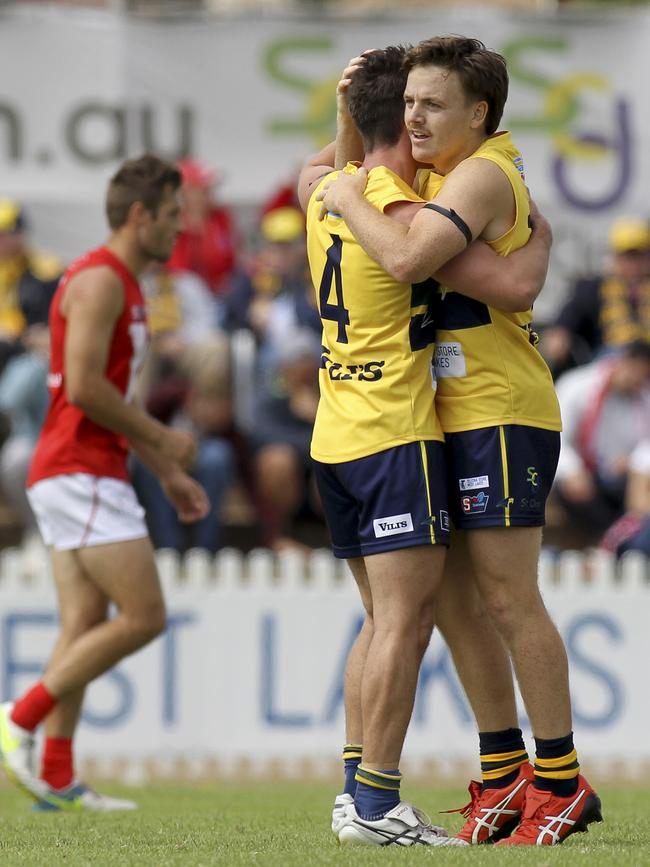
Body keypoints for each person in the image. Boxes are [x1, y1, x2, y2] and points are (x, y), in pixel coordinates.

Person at [318, 36, 602, 847]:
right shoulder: (429, 172)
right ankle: (507, 771)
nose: (413, 116)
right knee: (453, 604)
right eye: (407, 102)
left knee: (510, 599)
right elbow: (348, 181)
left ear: (479, 113)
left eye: (432, 103)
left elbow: (412, 256)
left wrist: (348, 197)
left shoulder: (478, 172)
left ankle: (559, 779)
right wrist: (350, 128)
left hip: (497, 408)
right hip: (449, 412)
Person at [0, 154, 209, 811]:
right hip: (78, 467)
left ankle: (55, 777)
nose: (181, 229)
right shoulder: (101, 280)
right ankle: (19, 718)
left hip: (85, 466)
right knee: (144, 616)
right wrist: (161, 437)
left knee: (85, 622)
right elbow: (86, 388)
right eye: (173, 215)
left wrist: (167, 470)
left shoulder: (121, 280)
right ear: (141, 213)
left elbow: (105, 390)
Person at [552, 340, 650, 546]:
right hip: (583, 476)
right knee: (573, 489)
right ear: (623, 362)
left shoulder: (643, 395)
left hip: (623, 479)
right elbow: (556, 436)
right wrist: (572, 471)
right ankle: (613, 543)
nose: (638, 382)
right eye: (636, 373)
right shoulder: (576, 385)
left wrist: (632, 461)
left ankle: (622, 542)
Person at [541, 217, 650, 377]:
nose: (633, 263)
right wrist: (559, 337)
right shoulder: (593, 288)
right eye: (627, 255)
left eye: (638, 255)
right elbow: (565, 322)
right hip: (609, 365)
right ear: (615, 256)